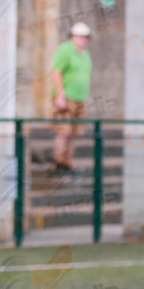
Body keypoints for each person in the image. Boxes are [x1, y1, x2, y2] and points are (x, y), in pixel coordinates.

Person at [49, 21, 93, 176]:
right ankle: (58, 163)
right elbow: (56, 72)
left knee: (74, 132)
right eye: (80, 36)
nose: (83, 40)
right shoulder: (65, 50)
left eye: (85, 37)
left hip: (80, 99)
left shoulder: (84, 53)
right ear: (73, 36)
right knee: (64, 131)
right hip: (66, 97)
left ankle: (67, 163)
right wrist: (60, 95)